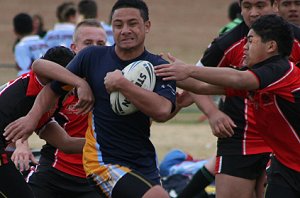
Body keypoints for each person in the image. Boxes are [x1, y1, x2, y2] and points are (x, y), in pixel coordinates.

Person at [4, 0, 176, 197]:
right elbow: (44, 77)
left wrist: (124, 85)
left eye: (133, 24)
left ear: (147, 26)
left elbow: (163, 111)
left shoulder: (153, 67)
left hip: (139, 160)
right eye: (118, 25)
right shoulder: (89, 61)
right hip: (95, 163)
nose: (125, 30)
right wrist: (26, 132)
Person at [155, 14, 300, 198]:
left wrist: (188, 69)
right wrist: (160, 70)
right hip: (285, 167)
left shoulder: (282, 70)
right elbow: (201, 87)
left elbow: (238, 78)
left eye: (250, 41)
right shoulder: (255, 78)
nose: (244, 47)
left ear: (271, 46)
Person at [11, 19, 108, 198]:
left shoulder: (113, 83)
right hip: (54, 171)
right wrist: (21, 145)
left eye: (100, 43)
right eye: (88, 43)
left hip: (95, 175)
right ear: (74, 48)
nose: (95, 48)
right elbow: (27, 113)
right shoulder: (61, 82)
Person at [0, 46, 82, 198]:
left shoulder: (49, 106)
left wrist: (105, 143)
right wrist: (79, 82)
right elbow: (38, 65)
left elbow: (66, 143)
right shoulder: (39, 83)